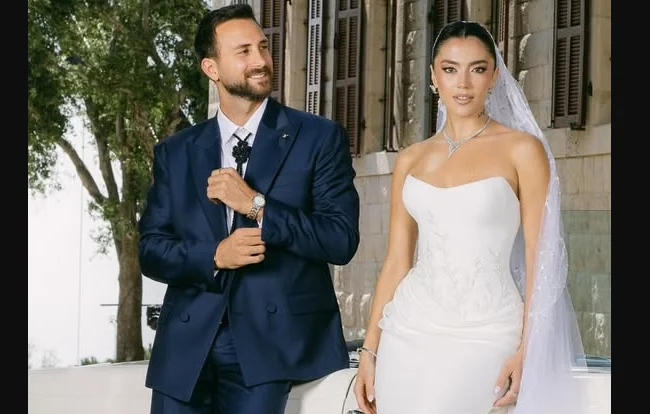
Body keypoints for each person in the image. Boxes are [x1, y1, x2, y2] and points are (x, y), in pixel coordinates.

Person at [353, 21, 586, 414]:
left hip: (487, 333)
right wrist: (369, 350)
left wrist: (528, 349)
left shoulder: (521, 150)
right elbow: (396, 261)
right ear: (433, 76)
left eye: (477, 69)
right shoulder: (410, 159)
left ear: (494, 76)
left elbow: (540, 259)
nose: (463, 83)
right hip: (407, 330)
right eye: (450, 69)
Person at [138, 4, 360, 413]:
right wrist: (215, 256)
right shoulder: (176, 152)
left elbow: (340, 239)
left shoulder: (318, 137)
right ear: (212, 68)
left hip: (271, 347)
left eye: (263, 47)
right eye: (243, 51)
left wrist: (257, 206)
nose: (260, 60)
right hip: (186, 348)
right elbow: (151, 250)